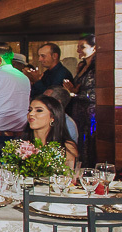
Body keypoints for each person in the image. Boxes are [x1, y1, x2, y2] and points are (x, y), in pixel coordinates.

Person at [64, 34, 97, 166]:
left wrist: (72, 94)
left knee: (87, 145)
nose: (78, 50)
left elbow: (93, 95)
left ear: (94, 48)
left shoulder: (95, 69)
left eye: (82, 47)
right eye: (78, 47)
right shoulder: (82, 66)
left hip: (89, 113)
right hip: (78, 111)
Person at [24, 95, 78, 169]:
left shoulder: (66, 147)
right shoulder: (22, 144)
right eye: (30, 110)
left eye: (39, 110)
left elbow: (68, 177)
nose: (31, 114)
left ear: (53, 117)